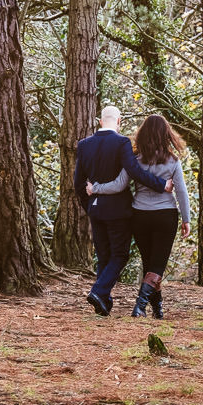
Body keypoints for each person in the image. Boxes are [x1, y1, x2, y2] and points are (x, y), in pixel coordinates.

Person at [87, 114, 191, 318]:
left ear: (142, 135)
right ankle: (139, 307)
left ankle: (157, 309)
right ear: (166, 135)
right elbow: (181, 192)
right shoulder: (173, 161)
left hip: (140, 215)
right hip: (165, 216)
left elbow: (119, 185)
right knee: (157, 266)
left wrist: (96, 187)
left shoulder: (135, 160)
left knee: (150, 264)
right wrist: (186, 219)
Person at [73, 106, 173, 316]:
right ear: (119, 121)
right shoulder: (121, 143)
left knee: (104, 256)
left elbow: (78, 183)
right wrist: (161, 184)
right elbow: (134, 171)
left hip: (96, 209)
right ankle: (99, 291)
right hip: (118, 210)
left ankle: (103, 302)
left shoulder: (84, 145)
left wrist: (89, 206)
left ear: (101, 121)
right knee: (119, 254)